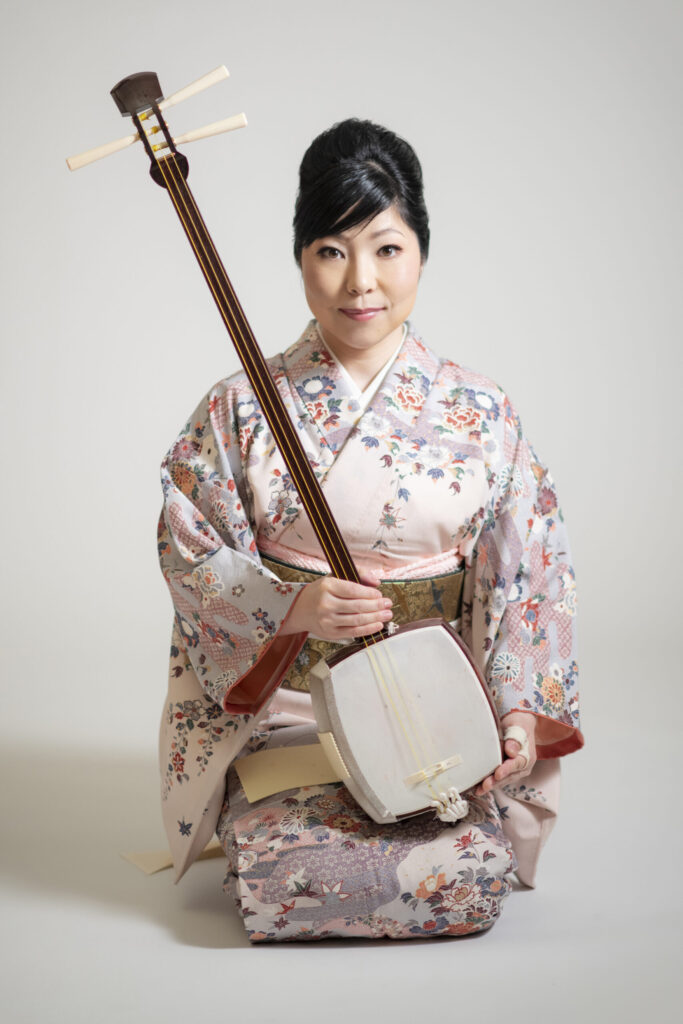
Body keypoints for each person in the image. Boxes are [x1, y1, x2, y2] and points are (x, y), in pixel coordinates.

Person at [157, 119, 583, 942]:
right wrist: (289, 606)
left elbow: (529, 578)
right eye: (331, 249)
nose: (361, 282)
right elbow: (190, 550)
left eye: (387, 248)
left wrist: (518, 717)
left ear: (421, 250)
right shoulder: (237, 408)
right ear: (299, 256)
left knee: (459, 880)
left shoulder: (482, 411)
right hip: (293, 704)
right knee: (305, 875)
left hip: (440, 711)